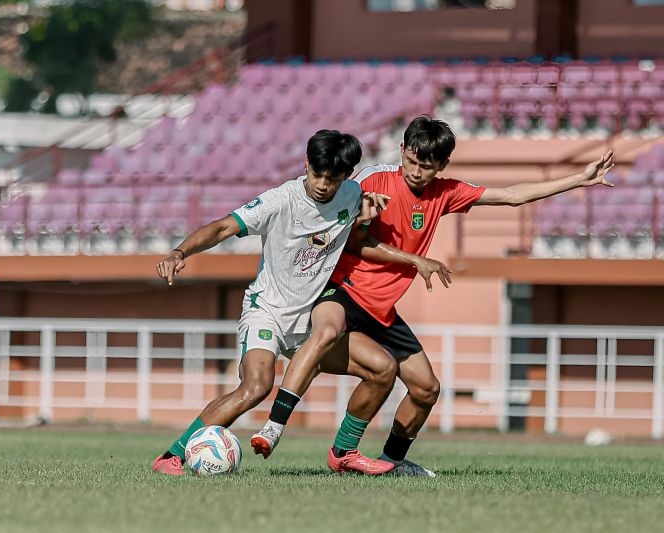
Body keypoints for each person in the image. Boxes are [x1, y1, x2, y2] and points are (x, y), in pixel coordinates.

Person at [251, 115, 615, 476]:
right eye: (410, 161)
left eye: (426, 166)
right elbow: (340, 224)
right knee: (326, 332)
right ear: (401, 151)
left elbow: (511, 196)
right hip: (343, 289)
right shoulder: (373, 180)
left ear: (442, 165)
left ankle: (392, 461)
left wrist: (579, 180)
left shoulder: (445, 192)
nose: (415, 171)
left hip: (382, 309)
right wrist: (377, 231)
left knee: (426, 389)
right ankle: (275, 426)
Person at [152, 129, 396, 476]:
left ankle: (344, 453)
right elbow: (224, 227)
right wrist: (180, 252)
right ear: (306, 164)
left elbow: (367, 222)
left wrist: (367, 216)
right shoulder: (281, 200)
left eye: (333, 177)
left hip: (310, 323)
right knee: (256, 387)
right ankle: (171, 456)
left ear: (346, 175)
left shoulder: (354, 193)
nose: (324, 184)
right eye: (317, 174)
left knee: (382, 369)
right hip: (266, 312)